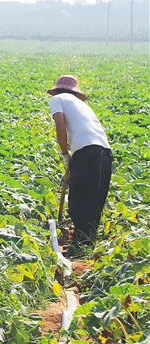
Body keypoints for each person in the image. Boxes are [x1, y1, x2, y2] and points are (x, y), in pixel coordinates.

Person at [47, 75, 112, 254]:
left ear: (57, 89)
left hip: (86, 151)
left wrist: (65, 154)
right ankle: (87, 243)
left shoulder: (56, 99)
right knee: (94, 199)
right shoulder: (83, 106)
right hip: (105, 151)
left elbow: (60, 127)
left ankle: (79, 246)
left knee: (80, 198)